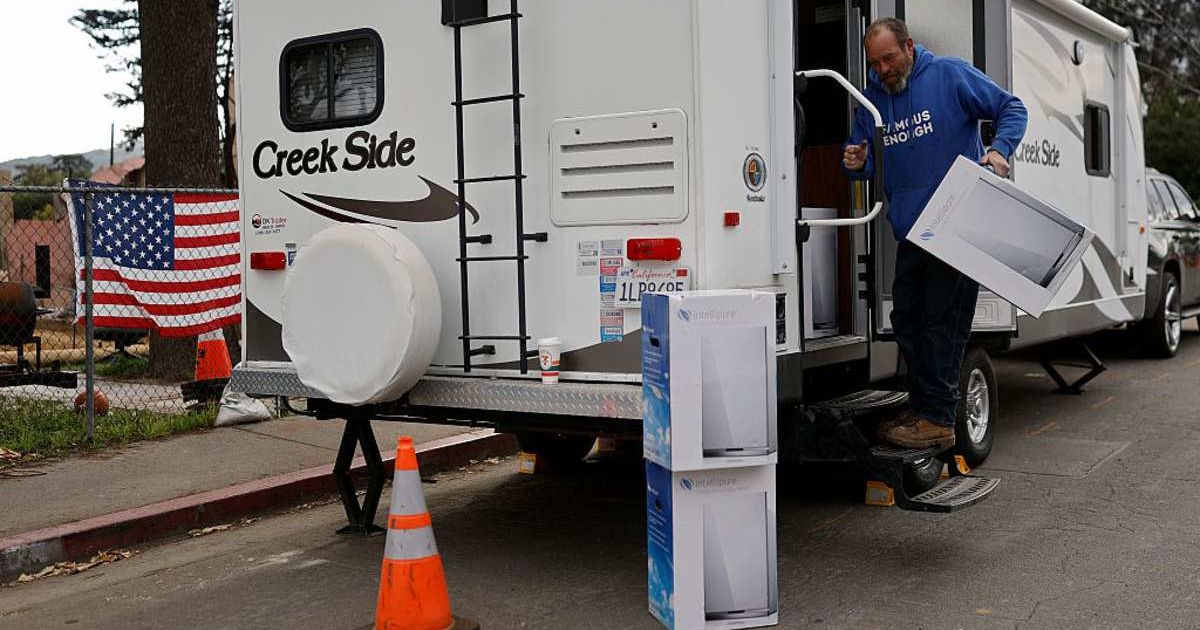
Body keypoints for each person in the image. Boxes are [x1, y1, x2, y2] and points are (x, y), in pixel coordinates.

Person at [843, 18, 1027, 449]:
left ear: (908, 46)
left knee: (943, 325)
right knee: (907, 320)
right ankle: (926, 407)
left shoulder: (948, 74)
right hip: (914, 232)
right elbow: (862, 159)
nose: (883, 69)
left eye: (889, 59)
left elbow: (1012, 107)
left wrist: (999, 151)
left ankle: (938, 419)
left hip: (957, 225)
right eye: (875, 63)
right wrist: (855, 161)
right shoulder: (873, 98)